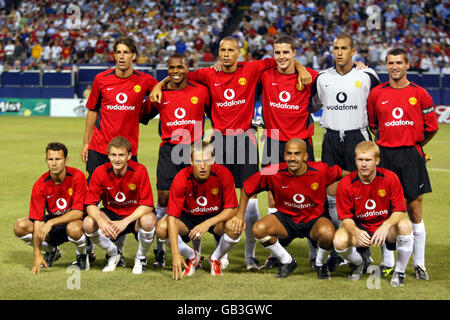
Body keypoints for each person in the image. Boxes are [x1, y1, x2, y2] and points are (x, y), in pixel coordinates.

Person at [152, 36, 311, 271]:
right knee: (218, 197)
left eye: (230, 50)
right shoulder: (208, 74)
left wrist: (301, 67)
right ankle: (218, 252)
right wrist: (159, 84)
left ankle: (249, 256)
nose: (225, 54)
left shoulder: (253, 67)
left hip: (245, 139)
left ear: (239, 53)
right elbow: (180, 75)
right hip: (219, 140)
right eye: (222, 50)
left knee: (252, 197)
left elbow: (281, 60)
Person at [80, 36, 158, 262]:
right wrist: (86, 142)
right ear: (114, 55)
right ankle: (89, 249)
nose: (122, 56)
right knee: (92, 198)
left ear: (134, 55)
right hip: (99, 147)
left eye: (126, 52)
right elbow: (92, 111)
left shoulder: (144, 80)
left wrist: (146, 112)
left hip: (127, 151)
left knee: (127, 199)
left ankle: (119, 248)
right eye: (118, 52)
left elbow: (162, 91)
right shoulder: (101, 79)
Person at [368, 48, 439, 281]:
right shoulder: (377, 93)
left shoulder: (420, 94)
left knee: (414, 211)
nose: (395, 66)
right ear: (386, 65)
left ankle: (419, 265)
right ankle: (388, 263)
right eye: (390, 62)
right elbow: (374, 125)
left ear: (408, 65)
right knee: (385, 210)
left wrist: (414, 145)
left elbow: (431, 128)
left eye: (399, 62)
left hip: (411, 155)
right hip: (385, 156)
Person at [231, 138, 348, 279]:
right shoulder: (274, 171)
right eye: (289, 154)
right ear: (284, 155)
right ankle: (287, 261)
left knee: (328, 233)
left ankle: (320, 264)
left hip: (314, 220)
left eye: (297, 154)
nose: (292, 158)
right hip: (286, 220)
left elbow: (343, 174)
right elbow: (247, 187)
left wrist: (364, 178)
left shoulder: (320, 170)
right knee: (258, 229)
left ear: (305, 156)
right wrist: (239, 215)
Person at [311, 33, 380, 271]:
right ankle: (338, 250)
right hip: (331, 136)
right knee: (331, 192)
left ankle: (363, 248)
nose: (339, 52)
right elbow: (314, 103)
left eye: (344, 48)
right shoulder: (322, 78)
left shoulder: (367, 75)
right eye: (336, 48)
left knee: (359, 193)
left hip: (356, 136)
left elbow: (379, 104)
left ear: (353, 51)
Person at [141, 52, 209, 268]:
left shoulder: (201, 91)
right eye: (171, 68)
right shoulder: (160, 94)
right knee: (163, 197)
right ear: (167, 70)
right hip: (169, 149)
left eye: (180, 67)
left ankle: (196, 251)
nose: (176, 71)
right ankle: (160, 249)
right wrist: (155, 89)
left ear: (187, 68)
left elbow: (215, 114)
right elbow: (143, 116)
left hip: (194, 150)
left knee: (195, 200)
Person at [258, 35, 319, 270]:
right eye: (277, 53)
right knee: (273, 196)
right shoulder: (265, 73)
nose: (281, 57)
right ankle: (278, 254)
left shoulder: (310, 76)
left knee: (311, 195)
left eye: (286, 52)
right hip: (273, 142)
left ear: (295, 53)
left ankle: (315, 253)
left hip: (301, 142)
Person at [155, 142, 240, 279]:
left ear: (213, 160)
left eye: (206, 161)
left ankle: (215, 258)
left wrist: (207, 223)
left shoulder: (223, 174)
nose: (202, 166)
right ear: (191, 161)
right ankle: (192, 256)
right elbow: (172, 217)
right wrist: (176, 254)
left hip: (214, 219)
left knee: (235, 226)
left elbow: (232, 209)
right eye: (198, 161)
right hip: (188, 219)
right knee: (161, 228)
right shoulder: (181, 178)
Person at [334, 141, 413, 287]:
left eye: (368, 160)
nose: (364, 164)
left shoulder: (390, 178)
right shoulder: (345, 183)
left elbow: (400, 210)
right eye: (360, 160)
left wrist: (386, 226)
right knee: (338, 241)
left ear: (377, 160)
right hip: (361, 228)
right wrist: (356, 231)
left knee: (406, 225)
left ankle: (399, 272)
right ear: (355, 160)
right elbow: (346, 218)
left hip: (385, 228)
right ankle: (359, 264)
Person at [83, 137, 156, 274]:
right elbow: (90, 204)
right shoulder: (99, 172)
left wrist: (125, 221)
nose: (117, 159)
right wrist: (100, 221)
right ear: (108, 155)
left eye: (121, 155)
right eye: (114, 155)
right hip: (112, 213)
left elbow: (147, 205)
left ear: (129, 156)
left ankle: (141, 258)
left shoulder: (140, 170)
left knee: (148, 221)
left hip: (133, 216)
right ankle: (113, 253)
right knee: (88, 223)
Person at [13, 142, 88, 274]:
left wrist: (51, 223)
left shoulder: (77, 176)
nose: (54, 163)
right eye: (50, 159)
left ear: (66, 160)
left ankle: (82, 256)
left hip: (74, 222)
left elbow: (78, 212)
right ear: (46, 160)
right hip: (54, 224)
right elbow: (38, 221)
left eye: (58, 159)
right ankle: (51, 251)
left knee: (74, 228)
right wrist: (37, 254)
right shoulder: (40, 184)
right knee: (20, 226)